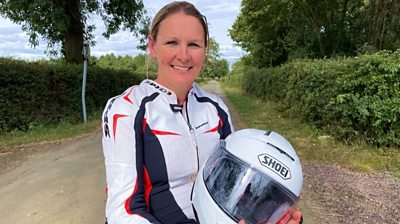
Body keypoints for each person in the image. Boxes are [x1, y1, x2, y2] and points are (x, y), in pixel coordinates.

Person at [101, 1, 302, 224]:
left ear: (205, 49)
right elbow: (123, 211)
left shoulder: (216, 108)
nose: (184, 55)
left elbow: (236, 188)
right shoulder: (127, 108)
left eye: (194, 45)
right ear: (153, 45)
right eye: (172, 42)